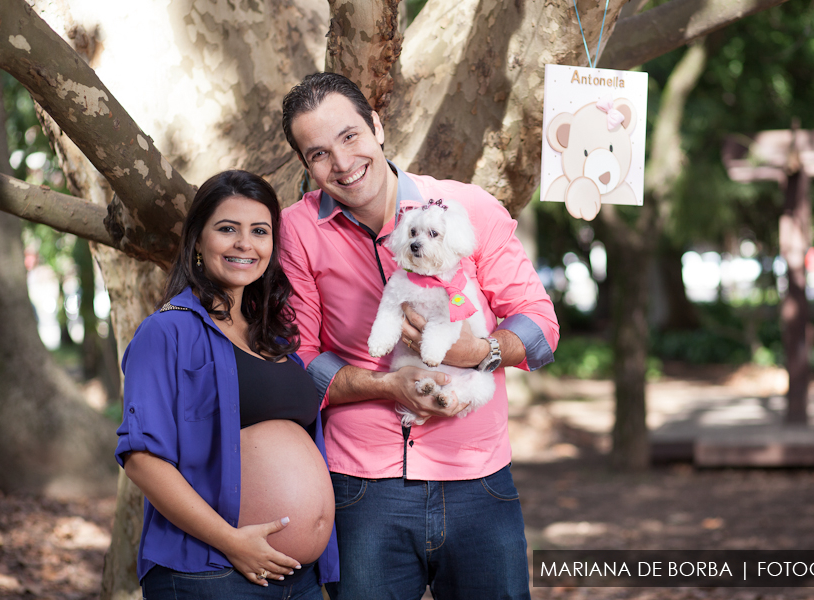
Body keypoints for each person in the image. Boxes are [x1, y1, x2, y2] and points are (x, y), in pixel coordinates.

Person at [278, 73, 559, 599]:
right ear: (305, 164)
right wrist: (388, 387)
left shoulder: (465, 208)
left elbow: (539, 326)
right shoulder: (295, 230)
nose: (341, 163)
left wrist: (479, 352)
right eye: (318, 154)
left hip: (478, 478)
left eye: (349, 136)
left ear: (377, 127)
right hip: (362, 489)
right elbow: (299, 363)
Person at [115, 170, 339, 599]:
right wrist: (231, 540)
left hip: (300, 579)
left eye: (259, 231)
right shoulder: (166, 332)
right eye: (227, 229)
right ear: (198, 240)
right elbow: (141, 458)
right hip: (214, 572)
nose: (244, 244)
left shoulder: (274, 338)